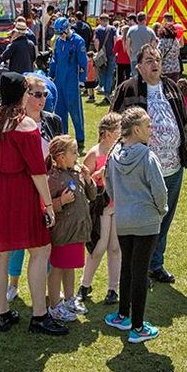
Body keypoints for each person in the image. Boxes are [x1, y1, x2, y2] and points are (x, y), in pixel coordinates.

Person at [0, 72, 67, 336]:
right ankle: (39, 315)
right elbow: (37, 170)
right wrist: (48, 206)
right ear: (23, 94)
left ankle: (3, 313)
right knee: (40, 249)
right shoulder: (25, 126)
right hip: (18, 195)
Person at [109, 43, 187, 283]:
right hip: (141, 169)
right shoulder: (128, 88)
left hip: (173, 166)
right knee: (143, 220)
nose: (155, 64)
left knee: (163, 217)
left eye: (157, 60)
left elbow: (183, 118)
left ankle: (155, 264)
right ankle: (137, 267)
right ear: (139, 67)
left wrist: (182, 144)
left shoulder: (172, 87)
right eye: (149, 60)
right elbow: (113, 122)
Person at [104, 107, 168, 344]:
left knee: (127, 268)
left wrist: (121, 204)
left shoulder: (114, 155)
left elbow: (108, 186)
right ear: (138, 129)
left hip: (123, 220)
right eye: (149, 126)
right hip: (146, 221)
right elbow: (159, 191)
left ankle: (123, 315)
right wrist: (161, 211)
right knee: (140, 272)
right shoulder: (147, 156)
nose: (152, 130)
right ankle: (138, 327)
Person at [3, 73, 63, 302]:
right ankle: (13, 283)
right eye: (37, 94)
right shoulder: (14, 122)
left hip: (47, 186)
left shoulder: (53, 120)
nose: (42, 99)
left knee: (46, 240)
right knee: (19, 241)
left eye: (45, 94)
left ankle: (47, 286)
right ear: (25, 95)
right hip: (22, 187)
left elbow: (60, 150)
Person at [46, 135, 97, 323]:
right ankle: (54, 305)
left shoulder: (77, 172)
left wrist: (88, 178)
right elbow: (45, 204)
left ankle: (69, 299)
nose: (78, 155)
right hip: (62, 233)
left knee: (70, 267)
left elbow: (92, 196)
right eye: (74, 152)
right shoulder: (52, 179)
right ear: (60, 157)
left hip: (78, 232)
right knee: (58, 268)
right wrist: (61, 201)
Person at [78, 112, 122, 306]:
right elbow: (84, 183)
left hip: (118, 205)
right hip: (101, 206)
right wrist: (98, 175)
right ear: (107, 133)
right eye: (118, 129)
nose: (121, 132)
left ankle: (113, 288)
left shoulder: (121, 150)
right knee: (99, 246)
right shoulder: (95, 153)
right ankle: (84, 284)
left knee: (115, 247)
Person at [49, 16, 88, 148]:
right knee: (60, 110)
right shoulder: (59, 42)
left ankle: (80, 137)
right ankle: (62, 137)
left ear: (67, 29)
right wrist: (51, 74)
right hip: (59, 80)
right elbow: (55, 59)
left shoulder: (78, 41)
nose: (60, 36)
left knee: (75, 110)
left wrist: (82, 80)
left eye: (61, 33)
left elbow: (83, 62)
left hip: (72, 80)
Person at [93, 14, 117, 103]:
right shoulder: (113, 29)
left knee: (102, 72)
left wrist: (98, 51)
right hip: (111, 53)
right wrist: (114, 51)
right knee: (110, 73)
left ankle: (103, 88)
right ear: (108, 20)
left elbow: (96, 41)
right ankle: (108, 93)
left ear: (100, 20)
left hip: (102, 54)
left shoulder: (98, 29)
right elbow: (115, 39)